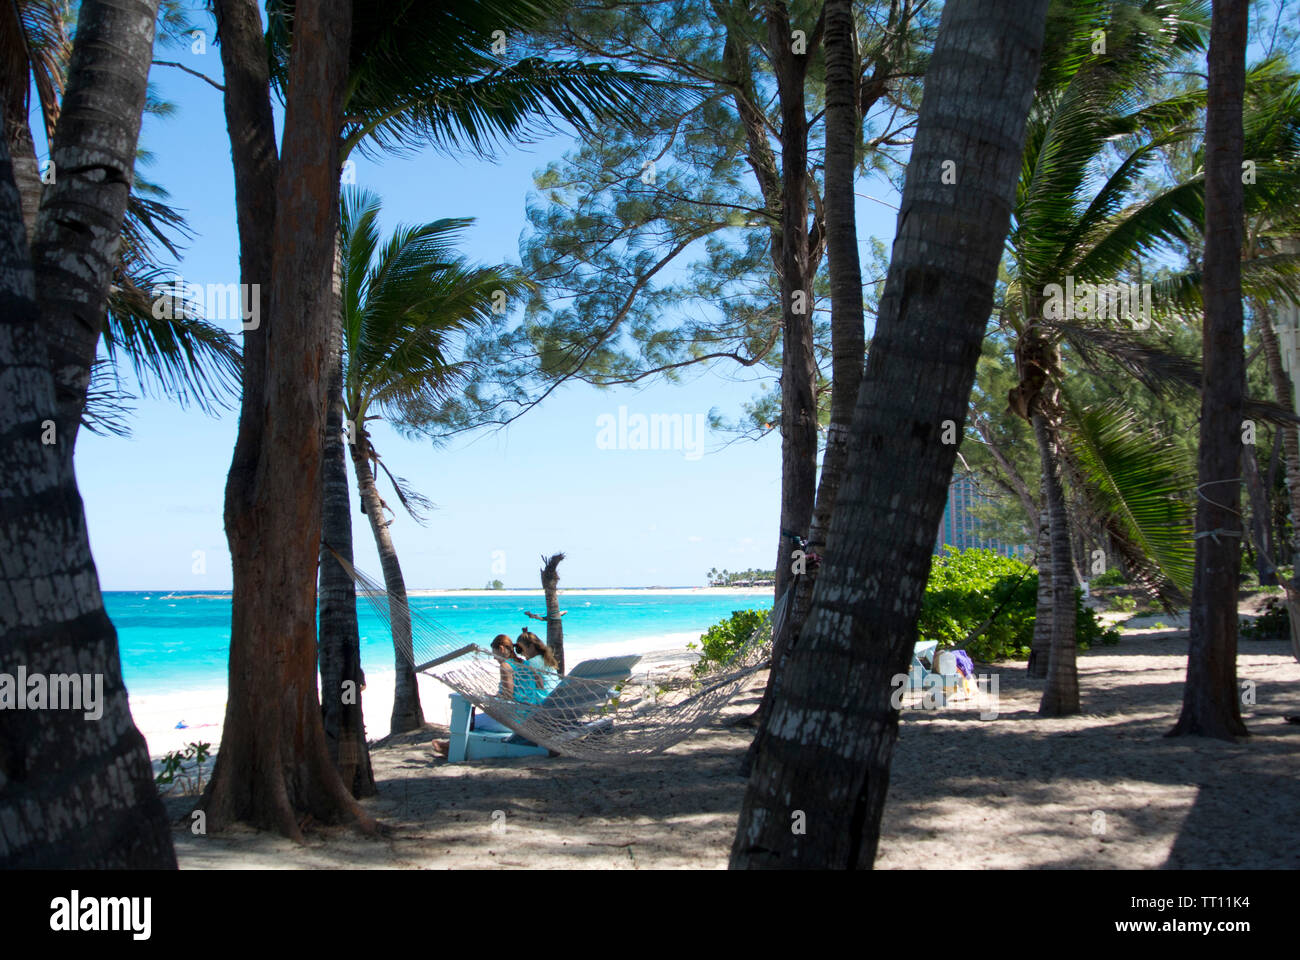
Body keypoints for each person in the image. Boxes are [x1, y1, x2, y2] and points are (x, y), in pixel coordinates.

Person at [514, 628, 560, 704]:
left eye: (521, 649)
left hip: (543, 701)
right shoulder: (545, 658)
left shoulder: (532, 662)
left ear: (531, 646)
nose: (521, 653)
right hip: (555, 695)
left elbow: (540, 686)